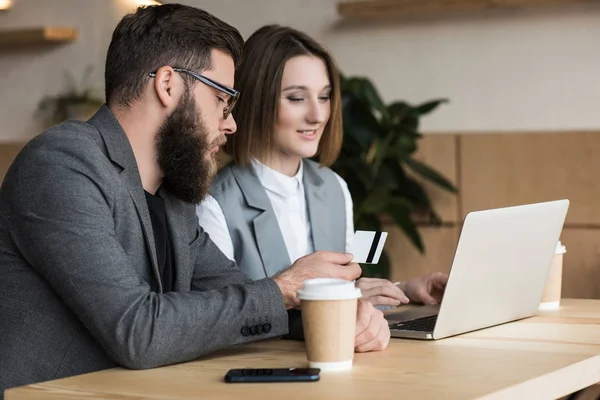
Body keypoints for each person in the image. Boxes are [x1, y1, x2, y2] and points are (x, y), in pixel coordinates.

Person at [0, 5, 389, 397]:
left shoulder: (174, 198)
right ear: (168, 84)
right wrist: (285, 287)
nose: (231, 123)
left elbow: (238, 300)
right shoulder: (62, 164)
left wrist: (337, 322)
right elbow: (138, 330)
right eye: (222, 99)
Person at [196, 24, 448, 309]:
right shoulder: (213, 203)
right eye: (296, 98)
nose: (317, 116)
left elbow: (350, 288)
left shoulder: (334, 187)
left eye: (324, 97)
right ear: (257, 100)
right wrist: (337, 301)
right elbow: (225, 316)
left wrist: (404, 291)